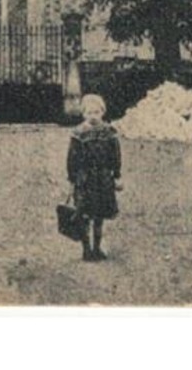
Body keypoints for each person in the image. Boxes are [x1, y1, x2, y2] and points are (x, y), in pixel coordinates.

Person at [66, 93, 122, 261]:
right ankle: (86, 249)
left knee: (99, 216)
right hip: (84, 179)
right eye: (89, 112)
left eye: (96, 112)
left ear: (102, 112)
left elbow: (116, 156)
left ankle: (97, 248)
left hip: (103, 178)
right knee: (84, 214)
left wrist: (117, 175)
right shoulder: (78, 134)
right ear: (84, 114)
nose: (93, 116)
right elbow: (71, 158)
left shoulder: (109, 132)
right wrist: (72, 178)